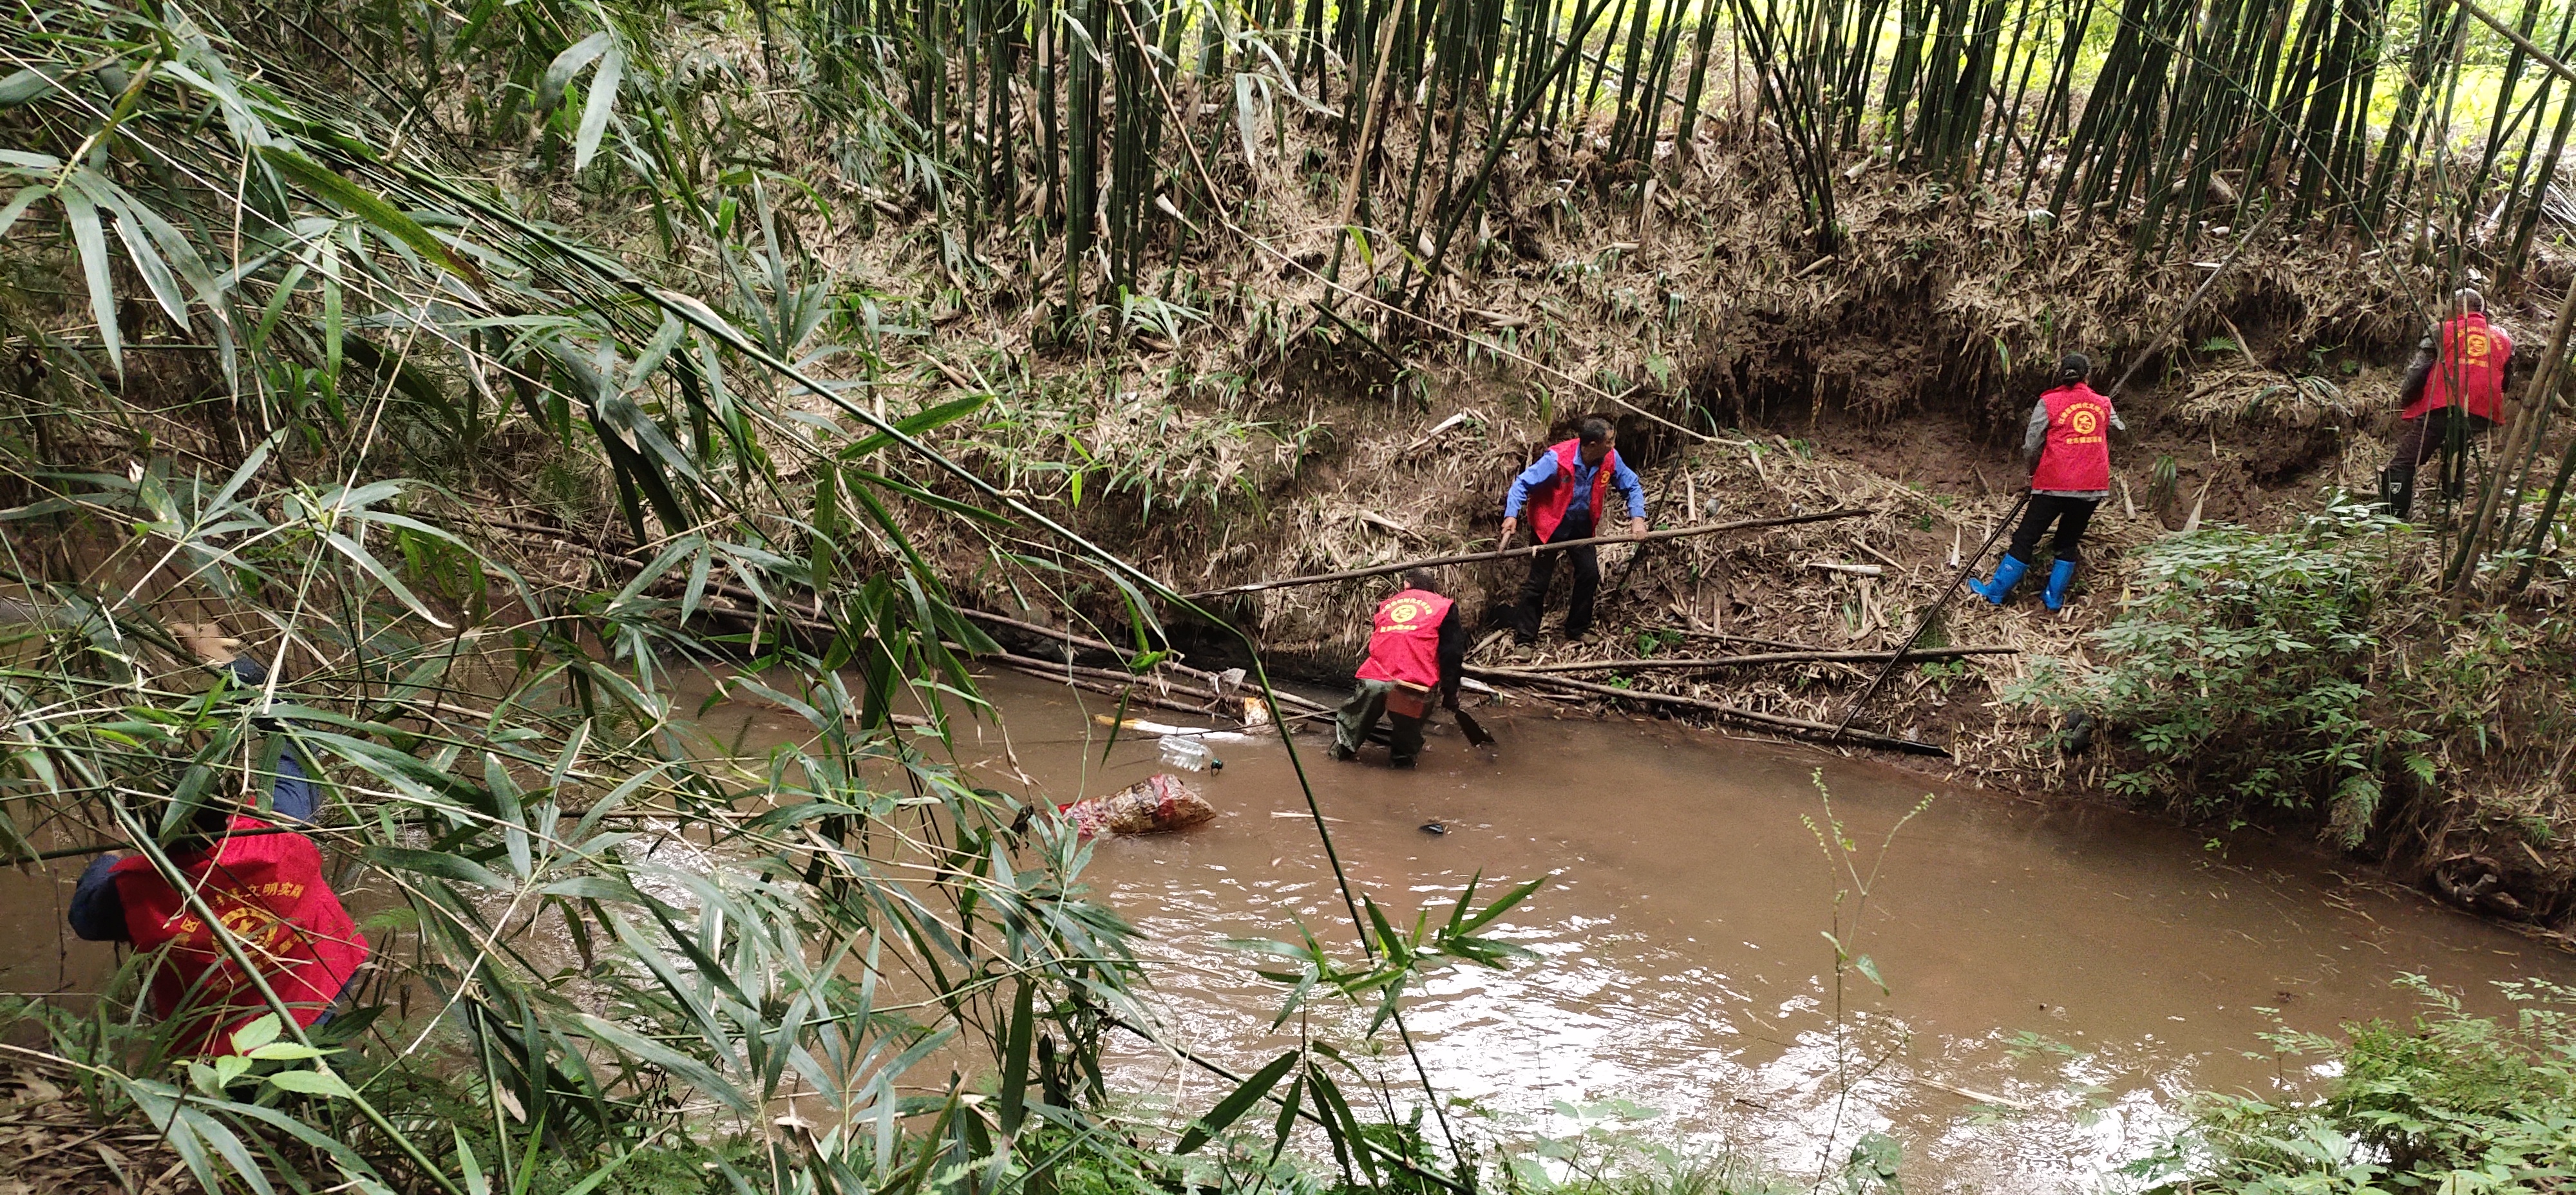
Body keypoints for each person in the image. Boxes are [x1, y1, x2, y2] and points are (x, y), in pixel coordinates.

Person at [70, 657, 370, 1055]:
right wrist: (230, 665)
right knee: (319, 1060)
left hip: (228, 1041)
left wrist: (108, 858)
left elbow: (86, 918)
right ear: (224, 804)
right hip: (321, 982)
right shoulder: (276, 830)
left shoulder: (136, 887)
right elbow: (294, 740)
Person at [1968, 353, 2125, 611]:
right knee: (2068, 540)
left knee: (2025, 538)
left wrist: (2033, 471)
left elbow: (2031, 444)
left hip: (2054, 482)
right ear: (2088, 375)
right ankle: (2053, 598)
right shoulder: (2103, 403)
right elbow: (2119, 430)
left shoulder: (2049, 402)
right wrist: (2105, 411)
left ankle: (1996, 593)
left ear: (2061, 374)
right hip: (2091, 485)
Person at [1499, 417, 1648, 659]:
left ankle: (1577, 627)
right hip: (1549, 527)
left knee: (1589, 574)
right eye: (1608, 441)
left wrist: (1638, 518)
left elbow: (1631, 485)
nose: (1613, 445)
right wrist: (1511, 516)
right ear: (1591, 445)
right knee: (1538, 584)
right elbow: (1522, 484)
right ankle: (1525, 639)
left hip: (1581, 527)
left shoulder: (1610, 458)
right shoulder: (1557, 459)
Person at [2380, 288, 2513, 520]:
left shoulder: (2442, 331)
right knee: (2456, 453)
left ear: (2454, 308)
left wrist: (2407, 399)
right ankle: (2451, 510)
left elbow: (2418, 370)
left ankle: (2393, 517)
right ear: (2482, 311)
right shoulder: (2503, 338)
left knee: (2402, 463)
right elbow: (2506, 381)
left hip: (2446, 403)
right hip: (2483, 409)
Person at [1330, 569, 1465, 768]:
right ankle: (1401, 776)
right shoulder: (1444, 607)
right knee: (1405, 748)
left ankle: (1337, 757)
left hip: (1374, 679)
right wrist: (1450, 694)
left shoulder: (1385, 606)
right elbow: (1451, 655)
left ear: (1406, 586)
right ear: (1432, 588)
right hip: (1413, 685)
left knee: (1348, 735)